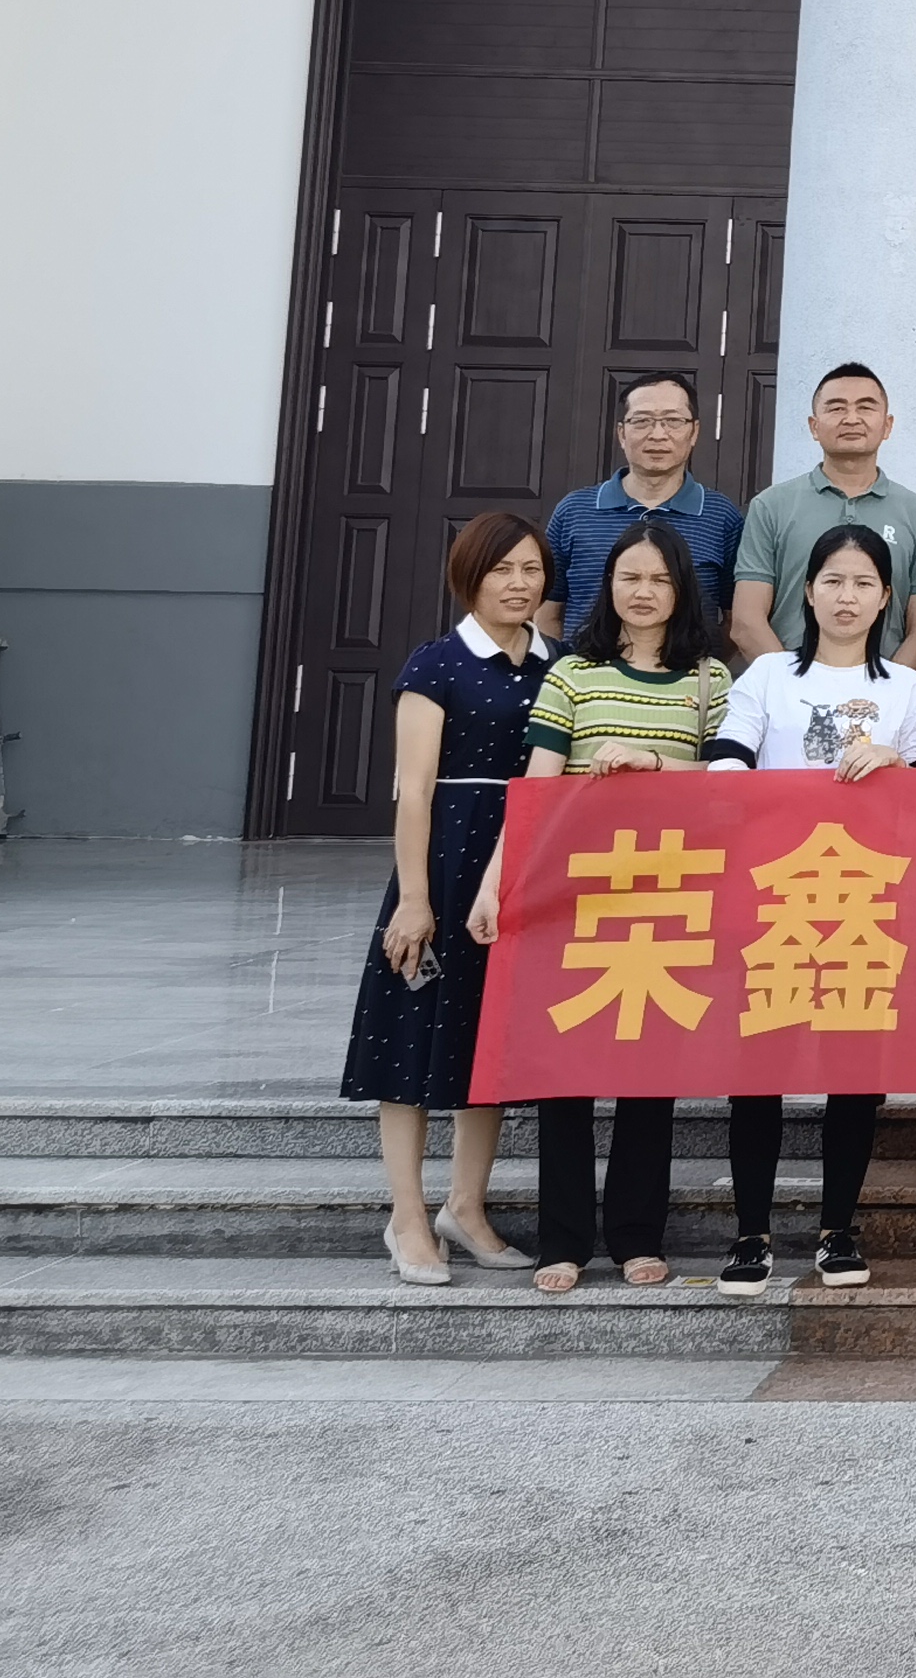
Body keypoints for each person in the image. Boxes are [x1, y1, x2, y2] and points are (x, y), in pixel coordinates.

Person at [467, 516, 736, 1294]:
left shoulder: (709, 681)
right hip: (573, 898)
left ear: (683, 590)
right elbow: (536, 788)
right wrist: (494, 882)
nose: (643, 592)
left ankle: (635, 1236)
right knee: (564, 1074)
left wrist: (652, 762)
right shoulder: (573, 674)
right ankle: (563, 1241)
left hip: (671, 898)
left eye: (659, 579)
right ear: (607, 586)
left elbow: (731, 783)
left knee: (649, 1077)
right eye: (629, 578)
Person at [702, 522, 916, 1295]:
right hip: (775, 898)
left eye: (864, 583)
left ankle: (838, 1229)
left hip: (867, 902)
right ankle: (751, 1233)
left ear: (886, 598)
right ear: (808, 590)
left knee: (856, 1075)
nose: (847, 596)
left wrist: (897, 761)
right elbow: (728, 761)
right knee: (758, 1070)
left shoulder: (907, 688)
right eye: (833, 580)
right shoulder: (769, 675)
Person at [339, 509, 554, 1285]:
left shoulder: (559, 666)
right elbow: (416, 790)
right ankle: (406, 1215)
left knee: (486, 1042)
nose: (519, 584)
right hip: (445, 861)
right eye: (502, 570)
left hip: (519, 870)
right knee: (409, 1039)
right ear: (469, 577)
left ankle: (466, 1206)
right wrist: (414, 898)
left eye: (531, 569)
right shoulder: (436, 664)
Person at [729, 361, 916, 669]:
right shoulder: (771, 506)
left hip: (881, 689)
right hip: (786, 685)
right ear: (814, 426)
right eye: (836, 408)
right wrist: (789, 684)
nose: (851, 419)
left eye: (865, 407)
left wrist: (889, 689)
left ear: (887, 425)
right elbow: (747, 621)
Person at [541, 372, 743, 638]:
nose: (658, 434)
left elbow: (735, 619)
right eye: (642, 421)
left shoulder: (721, 516)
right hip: (585, 664)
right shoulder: (574, 511)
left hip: (687, 665)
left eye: (673, 421)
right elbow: (546, 612)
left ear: (694, 431)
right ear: (621, 433)